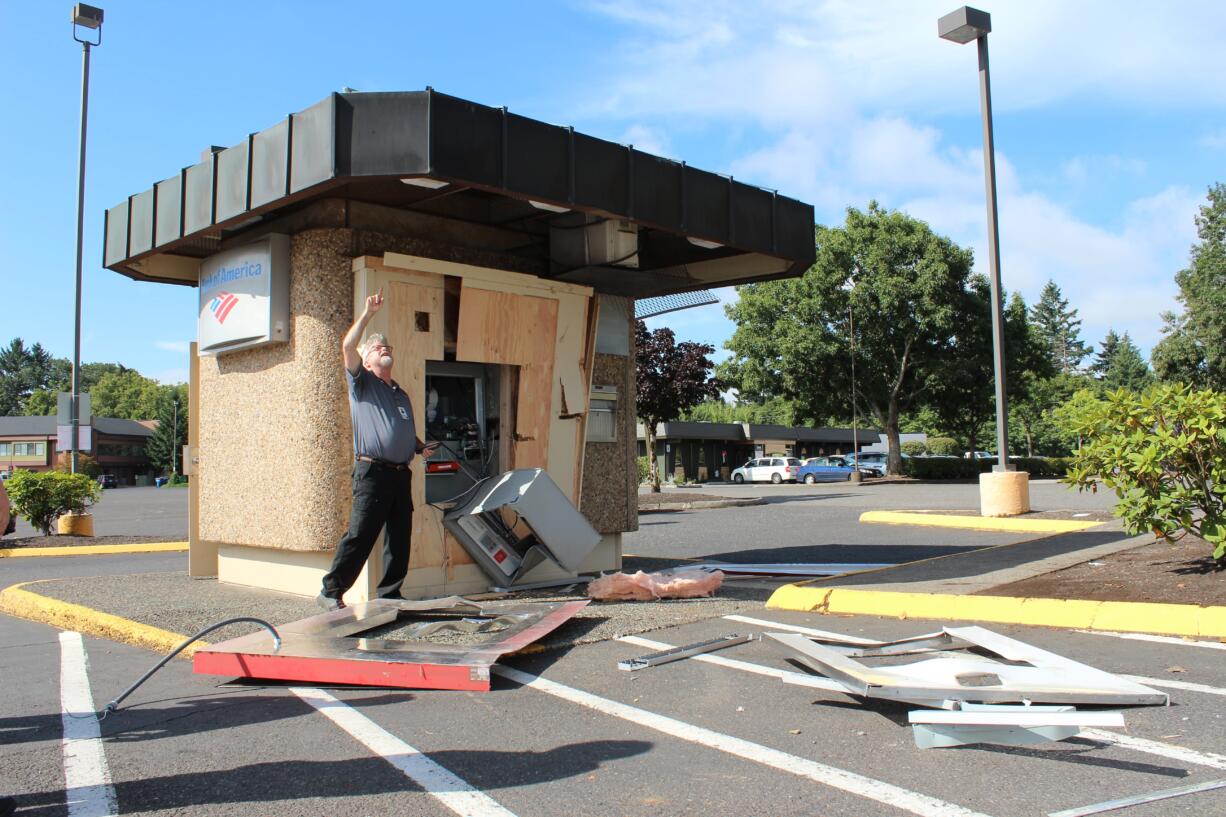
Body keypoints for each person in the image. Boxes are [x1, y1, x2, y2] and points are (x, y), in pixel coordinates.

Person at [318, 289, 437, 610]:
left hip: (400, 475)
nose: (384, 349)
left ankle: (391, 594)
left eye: (387, 346)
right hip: (372, 472)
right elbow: (346, 345)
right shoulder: (362, 382)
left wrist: (419, 447)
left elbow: (403, 430)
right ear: (367, 360)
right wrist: (368, 314)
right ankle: (331, 592)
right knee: (361, 534)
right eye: (376, 347)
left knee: (399, 538)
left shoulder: (400, 393)